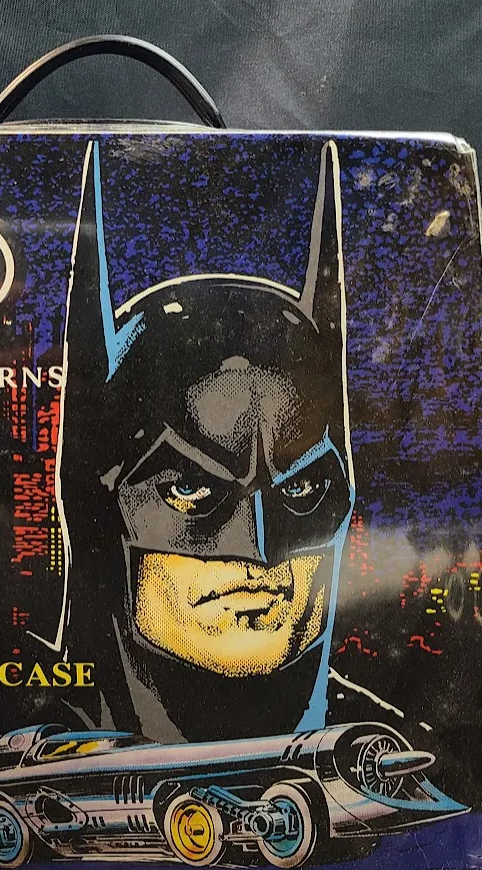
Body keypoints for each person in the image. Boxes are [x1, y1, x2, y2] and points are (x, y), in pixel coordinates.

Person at [57, 139, 356, 742]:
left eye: (301, 489)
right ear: (100, 503)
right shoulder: (23, 756)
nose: (260, 547)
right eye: (192, 490)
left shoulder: (387, 753)